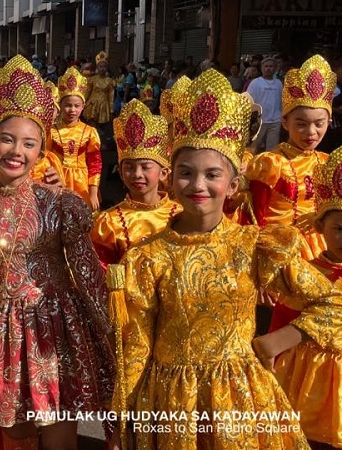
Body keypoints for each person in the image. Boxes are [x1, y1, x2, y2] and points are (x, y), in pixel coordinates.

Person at [108, 68, 342, 450]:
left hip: (240, 397)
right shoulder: (146, 257)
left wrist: (280, 338)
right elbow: (135, 345)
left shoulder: (255, 246)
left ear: (232, 185)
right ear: (169, 179)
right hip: (171, 403)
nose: (198, 185)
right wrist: (125, 416)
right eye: (185, 173)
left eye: (212, 174)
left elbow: (332, 299)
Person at [0, 54, 115, 450]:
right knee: (17, 435)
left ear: (41, 153)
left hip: (56, 329)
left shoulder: (59, 204)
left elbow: (89, 274)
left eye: (29, 143)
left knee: (59, 433)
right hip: (2, 332)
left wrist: (113, 333)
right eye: (7, 139)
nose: (16, 151)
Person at [269, 146, 342, 449]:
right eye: (339, 228)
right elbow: (281, 321)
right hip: (306, 379)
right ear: (319, 227)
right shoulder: (303, 273)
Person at [247, 54, 336, 261]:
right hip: (280, 252)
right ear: (285, 122)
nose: (311, 132)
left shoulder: (327, 162)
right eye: (301, 124)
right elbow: (255, 220)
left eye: (319, 124)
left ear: (329, 122)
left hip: (322, 249)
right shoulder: (271, 163)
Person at [91, 99, 180, 268]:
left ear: (164, 172)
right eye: (129, 167)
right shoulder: (108, 223)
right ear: (120, 173)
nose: (137, 174)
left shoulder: (181, 215)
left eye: (146, 167)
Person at [51, 66, 102, 210]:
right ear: (60, 105)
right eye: (68, 105)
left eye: (76, 106)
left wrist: (93, 192)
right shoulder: (52, 132)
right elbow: (45, 160)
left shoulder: (89, 132)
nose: (72, 110)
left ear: (82, 107)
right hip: (57, 181)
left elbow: (95, 164)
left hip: (82, 183)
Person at [246, 57, 283, 152]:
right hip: (259, 121)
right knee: (253, 149)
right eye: (266, 66)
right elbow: (249, 101)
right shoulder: (255, 83)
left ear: (275, 68)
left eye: (271, 66)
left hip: (275, 121)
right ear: (261, 68)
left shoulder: (279, 84)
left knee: (272, 150)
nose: (268, 68)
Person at [84, 51, 116, 129]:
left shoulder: (110, 81)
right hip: (92, 104)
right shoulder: (92, 79)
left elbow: (111, 96)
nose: (102, 68)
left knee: (101, 128)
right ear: (97, 68)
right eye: (100, 66)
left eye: (104, 67)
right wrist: (83, 102)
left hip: (103, 106)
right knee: (91, 126)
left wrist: (111, 110)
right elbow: (87, 92)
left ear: (107, 68)